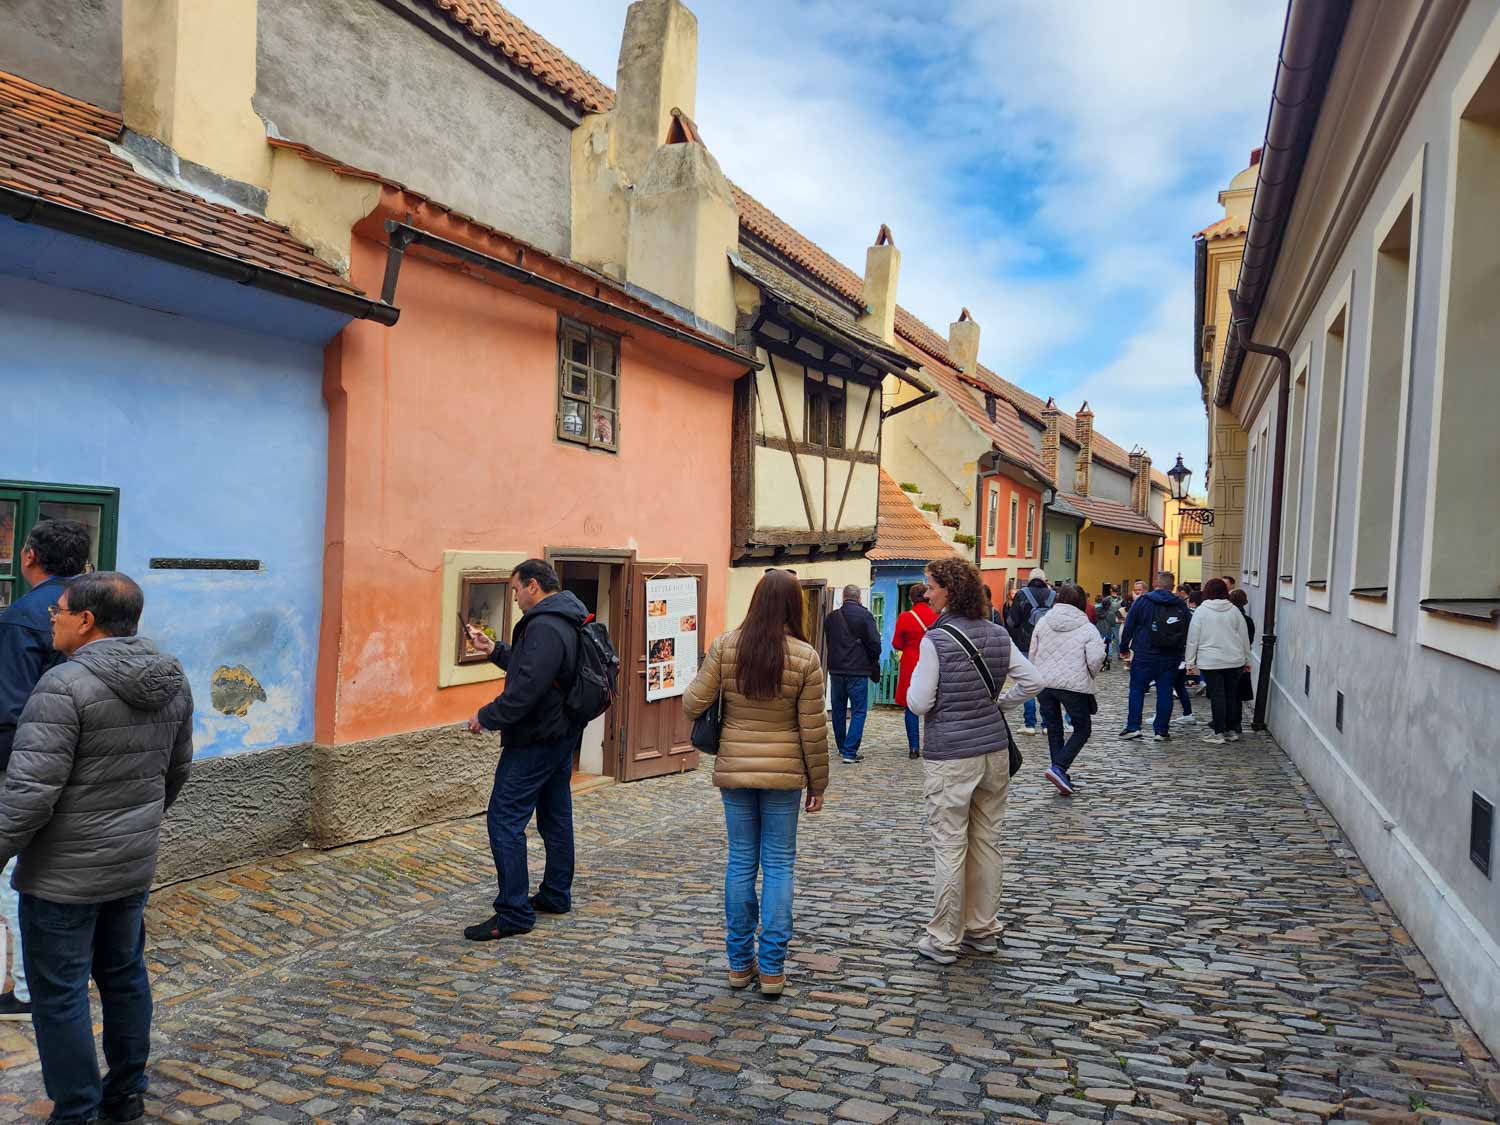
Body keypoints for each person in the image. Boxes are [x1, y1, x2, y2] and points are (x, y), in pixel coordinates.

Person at [0, 571, 194, 1125]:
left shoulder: (64, 685)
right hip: (130, 867)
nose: (50, 617)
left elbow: (28, 797)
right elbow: (174, 773)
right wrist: (136, 828)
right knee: (125, 976)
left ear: (86, 621)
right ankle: (126, 1094)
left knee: (60, 996)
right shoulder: (171, 678)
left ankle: (76, 1110)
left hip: (64, 878)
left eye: (59, 610)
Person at [683, 570, 827, 996]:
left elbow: (693, 703)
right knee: (779, 866)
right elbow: (813, 730)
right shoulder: (805, 657)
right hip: (784, 776)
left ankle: (738, 965)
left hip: (736, 771)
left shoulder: (726, 647)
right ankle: (772, 970)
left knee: (741, 864)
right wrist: (817, 784)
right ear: (794, 607)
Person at [907, 557, 1043, 965]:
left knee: (949, 845)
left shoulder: (937, 639)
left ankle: (945, 937)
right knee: (986, 842)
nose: (927, 593)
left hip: (951, 755)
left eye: (931, 586)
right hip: (993, 753)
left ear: (950, 590)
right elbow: (1033, 681)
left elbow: (918, 702)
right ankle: (983, 929)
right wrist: (1000, 701)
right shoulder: (999, 634)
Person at [464, 559, 590, 941]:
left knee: (503, 820)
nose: (515, 597)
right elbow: (539, 670)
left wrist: (486, 717)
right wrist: (495, 650)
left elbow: (526, 689)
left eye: (516, 589)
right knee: (555, 813)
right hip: (561, 732)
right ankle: (555, 893)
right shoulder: (567, 616)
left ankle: (514, 911)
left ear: (533, 586)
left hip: (536, 737)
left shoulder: (545, 625)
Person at [0, 518, 91, 1025]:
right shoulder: (96, 609)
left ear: (29, 556)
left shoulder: (22, 617)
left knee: (18, 873)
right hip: (85, 763)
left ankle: (31, 988)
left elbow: (11, 710)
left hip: (29, 765)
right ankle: (58, 974)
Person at [1029, 584, 1104, 796]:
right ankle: (1059, 768)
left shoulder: (1043, 622)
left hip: (1045, 683)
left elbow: (1033, 652)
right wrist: (1091, 673)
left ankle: (1058, 770)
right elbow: (1095, 659)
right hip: (1074, 685)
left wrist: (1037, 673)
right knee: (1082, 728)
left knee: (1054, 727)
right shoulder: (1088, 628)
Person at [1118, 571, 1191, 742]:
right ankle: (1161, 730)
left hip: (1145, 652)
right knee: (1165, 691)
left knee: (1137, 689)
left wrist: (1124, 648)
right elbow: (1188, 628)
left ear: (1155, 583)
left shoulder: (1143, 601)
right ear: (1172, 586)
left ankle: (1133, 727)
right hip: (1170, 655)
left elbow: (1129, 625)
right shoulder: (1180, 604)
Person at [1185, 578, 1252, 744]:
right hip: (1234, 660)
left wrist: (1190, 662)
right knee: (1230, 695)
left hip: (1210, 660)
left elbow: (1193, 638)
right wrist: (1247, 659)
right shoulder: (1234, 611)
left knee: (1217, 696)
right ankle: (1231, 730)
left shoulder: (1201, 611)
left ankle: (1218, 732)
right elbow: (1244, 638)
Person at [823, 585, 880, 764]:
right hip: (858, 670)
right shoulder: (866, 616)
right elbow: (875, 644)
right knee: (858, 711)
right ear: (859, 598)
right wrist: (871, 659)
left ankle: (842, 747)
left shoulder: (831, 618)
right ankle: (850, 751)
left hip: (836, 670)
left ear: (843, 596)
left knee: (838, 710)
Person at [1005, 569, 1055, 736]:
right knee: (1046, 683)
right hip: (1047, 645)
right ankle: (1047, 724)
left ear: (1030, 580)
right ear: (1044, 579)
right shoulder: (1054, 596)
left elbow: (1012, 622)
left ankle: (1030, 724)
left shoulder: (1022, 595)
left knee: (1028, 682)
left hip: (1025, 644)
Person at [891, 584, 938, 759]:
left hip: (911, 663)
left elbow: (896, 644)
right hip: (933, 661)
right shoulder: (936, 616)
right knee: (933, 706)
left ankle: (913, 748)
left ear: (911, 599)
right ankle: (931, 745)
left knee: (911, 706)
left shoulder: (905, 617)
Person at [1095, 585, 1123, 671]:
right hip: (1110, 626)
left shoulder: (1099, 608)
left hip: (1100, 629)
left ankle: (1104, 658)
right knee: (1114, 640)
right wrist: (1120, 619)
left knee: (1102, 644)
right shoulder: (1120, 600)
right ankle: (1115, 655)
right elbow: (1118, 613)